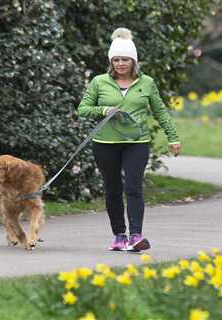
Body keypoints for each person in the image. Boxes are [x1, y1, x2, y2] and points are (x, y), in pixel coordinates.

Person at [77, 27, 181, 251]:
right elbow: (83, 109)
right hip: (105, 144)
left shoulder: (147, 83)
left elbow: (160, 111)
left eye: (125, 59)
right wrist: (103, 110)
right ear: (111, 61)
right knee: (112, 189)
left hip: (137, 143)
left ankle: (136, 236)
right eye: (116, 60)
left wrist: (173, 137)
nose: (120, 64)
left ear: (133, 61)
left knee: (133, 187)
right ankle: (119, 236)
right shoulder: (99, 82)